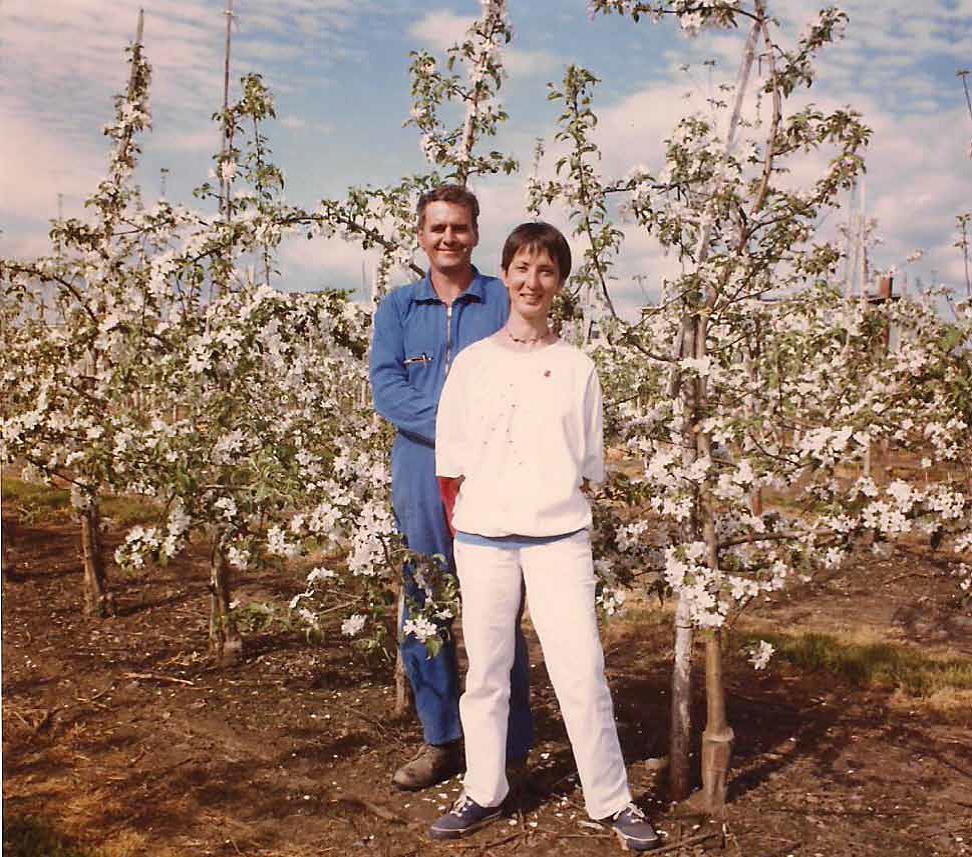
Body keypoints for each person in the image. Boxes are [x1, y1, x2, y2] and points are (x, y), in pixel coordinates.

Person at [429, 222, 661, 851]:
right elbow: (449, 463)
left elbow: (588, 464)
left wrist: (547, 504)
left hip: (559, 538)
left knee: (581, 671)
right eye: (522, 269)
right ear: (504, 274)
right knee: (487, 674)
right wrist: (479, 521)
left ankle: (611, 800)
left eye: (547, 271)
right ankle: (483, 790)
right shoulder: (473, 364)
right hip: (484, 538)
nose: (533, 282)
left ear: (560, 282)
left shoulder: (576, 365)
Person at [369, 185, 533, 791]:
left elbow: (522, 374)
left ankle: (510, 750)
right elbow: (387, 389)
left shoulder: (501, 300)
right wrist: (454, 424)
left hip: (492, 474)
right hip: (420, 473)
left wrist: (481, 435)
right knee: (426, 606)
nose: (448, 238)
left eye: (459, 228)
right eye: (437, 228)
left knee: (496, 610)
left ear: (475, 234)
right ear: (420, 234)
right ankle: (440, 741)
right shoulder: (397, 308)